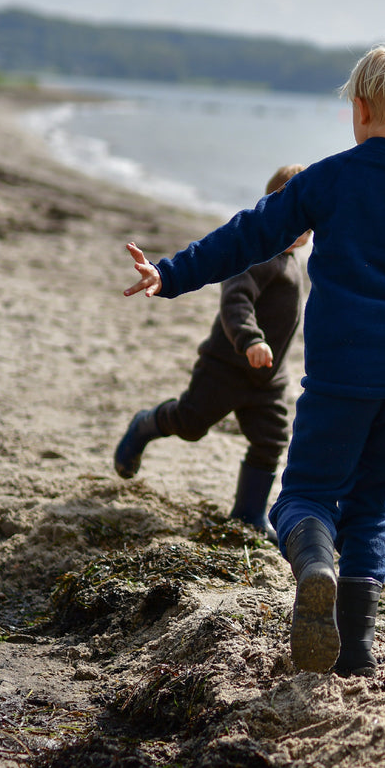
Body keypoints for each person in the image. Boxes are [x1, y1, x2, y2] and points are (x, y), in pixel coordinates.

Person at [122, 42, 385, 678]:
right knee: (373, 506)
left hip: (342, 372)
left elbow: (249, 234)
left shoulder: (328, 179)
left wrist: (171, 273)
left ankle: (315, 565)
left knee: (305, 498)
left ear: (359, 109)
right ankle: (357, 651)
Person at [114, 164, 311, 544]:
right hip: (227, 367)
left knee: (271, 441)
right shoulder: (255, 256)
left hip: (268, 379)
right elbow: (235, 300)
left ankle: (249, 511)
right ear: (269, 210)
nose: (298, 234)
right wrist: (251, 340)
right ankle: (145, 424)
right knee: (190, 424)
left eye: (305, 228)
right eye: (290, 223)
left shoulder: (291, 262)